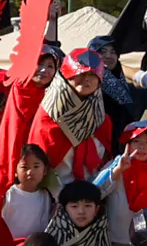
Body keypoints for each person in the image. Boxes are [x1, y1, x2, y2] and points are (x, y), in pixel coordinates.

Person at [29, 51, 112, 185]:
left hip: (92, 193)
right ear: (66, 75)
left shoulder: (103, 120)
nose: (86, 79)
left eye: (92, 75)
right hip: (53, 192)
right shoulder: (48, 116)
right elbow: (37, 162)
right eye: (80, 73)